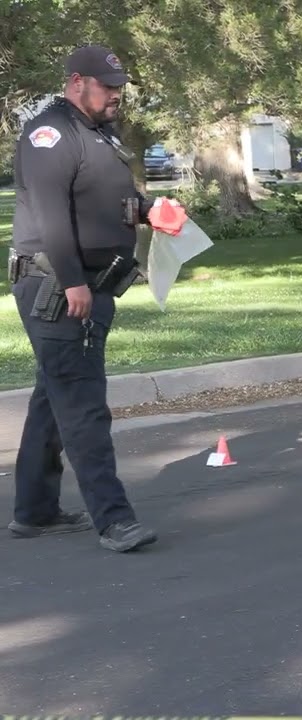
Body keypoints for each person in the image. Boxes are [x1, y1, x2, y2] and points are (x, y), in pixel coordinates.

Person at [6, 44, 160, 553]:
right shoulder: (51, 133)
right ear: (77, 82)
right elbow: (51, 215)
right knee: (83, 404)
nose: (117, 94)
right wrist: (73, 281)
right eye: (107, 86)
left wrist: (148, 211)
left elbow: (106, 198)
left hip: (91, 283)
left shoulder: (99, 132)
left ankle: (35, 511)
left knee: (55, 396)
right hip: (55, 285)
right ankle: (115, 521)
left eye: (120, 86)